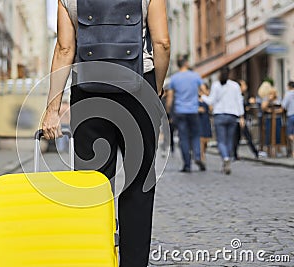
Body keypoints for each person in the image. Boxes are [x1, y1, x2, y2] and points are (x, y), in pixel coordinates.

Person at [42, 1, 170, 267]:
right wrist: (155, 90)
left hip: (88, 91)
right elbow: (162, 43)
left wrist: (52, 109)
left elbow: (65, 49)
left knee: (92, 186)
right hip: (138, 90)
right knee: (139, 184)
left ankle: (94, 259)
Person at [201, 66, 244, 175]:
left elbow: (211, 101)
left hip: (219, 115)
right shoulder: (235, 86)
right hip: (232, 115)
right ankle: (228, 158)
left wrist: (202, 97)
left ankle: (225, 158)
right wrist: (241, 116)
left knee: (221, 141)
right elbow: (239, 101)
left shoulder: (216, 85)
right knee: (230, 140)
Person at [167, 55, 206, 172]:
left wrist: (169, 111)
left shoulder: (174, 78)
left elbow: (169, 98)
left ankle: (187, 165)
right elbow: (204, 90)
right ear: (186, 64)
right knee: (195, 135)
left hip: (180, 111)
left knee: (183, 138)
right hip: (193, 111)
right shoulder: (195, 76)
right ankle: (198, 156)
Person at [233, 80, 259, 159]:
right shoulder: (238, 95)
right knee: (247, 136)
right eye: (244, 85)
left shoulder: (240, 95)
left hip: (239, 118)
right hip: (240, 119)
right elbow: (240, 106)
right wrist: (248, 103)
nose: (246, 86)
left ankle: (234, 154)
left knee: (237, 137)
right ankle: (255, 152)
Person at [261, 87, 283, 155]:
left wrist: (275, 111)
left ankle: (278, 150)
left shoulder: (279, 99)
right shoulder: (266, 99)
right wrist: (268, 100)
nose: (271, 95)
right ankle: (268, 150)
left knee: (278, 133)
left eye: (272, 93)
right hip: (269, 118)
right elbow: (263, 107)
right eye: (270, 93)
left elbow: (282, 108)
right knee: (268, 133)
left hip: (277, 118)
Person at [198, 84, 212, 163]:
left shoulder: (208, 99)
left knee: (206, 139)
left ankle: (203, 152)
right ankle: (201, 155)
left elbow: (211, 109)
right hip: (199, 120)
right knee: (201, 139)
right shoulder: (196, 99)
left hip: (206, 120)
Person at [282, 81, 294, 157]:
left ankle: (292, 151)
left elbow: (283, 106)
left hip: (291, 115)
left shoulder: (288, 94)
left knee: (290, 134)